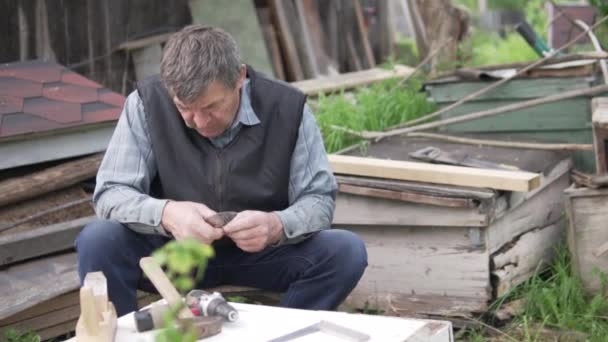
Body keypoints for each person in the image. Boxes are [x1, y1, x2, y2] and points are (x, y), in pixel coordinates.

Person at [75, 25, 368, 316]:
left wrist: (275, 225)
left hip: (262, 255)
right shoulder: (145, 103)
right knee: (99, 240)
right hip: (174, 254)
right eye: (184, 108)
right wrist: (167, 214)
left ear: (239, 77)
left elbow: (319, 199)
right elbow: (111, 193)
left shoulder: (287, 108)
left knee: (345, 251)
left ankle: (279, 337)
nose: (199, 122)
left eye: (211, 106)